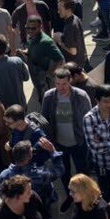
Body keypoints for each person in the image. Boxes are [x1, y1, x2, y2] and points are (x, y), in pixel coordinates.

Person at [42, 68, 92, 208]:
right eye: (57, 84)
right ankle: (71, 197)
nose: (60, 87)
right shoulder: (48, 97)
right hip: (59, 144)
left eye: (63, 84)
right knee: (64, 174)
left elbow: (88, 120)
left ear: (70, 81)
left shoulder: (81, 96)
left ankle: (87, 197)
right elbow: (44, 120)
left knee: (83, 171)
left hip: (79, 142)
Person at [82, 86, 110, 199]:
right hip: (102, 164)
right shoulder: (89, 118)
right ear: (97, 101)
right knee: (106, 192)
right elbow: (94, 147)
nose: (109, 105)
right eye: (105, 101)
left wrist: (103, 143)